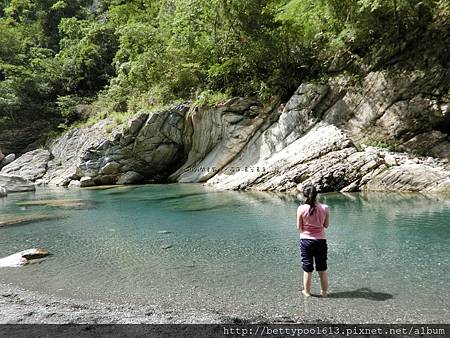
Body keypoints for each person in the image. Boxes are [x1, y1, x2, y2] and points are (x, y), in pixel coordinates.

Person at [296, 185, 329, 297]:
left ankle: (307, 292)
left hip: (306, 241)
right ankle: (324, 292)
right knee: (322, 268)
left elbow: (299, 227)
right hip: (321, 241)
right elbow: (326, 225)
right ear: (316, 194)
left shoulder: (301, 208)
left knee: (307, 268)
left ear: (304, 195)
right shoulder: (325, 208)